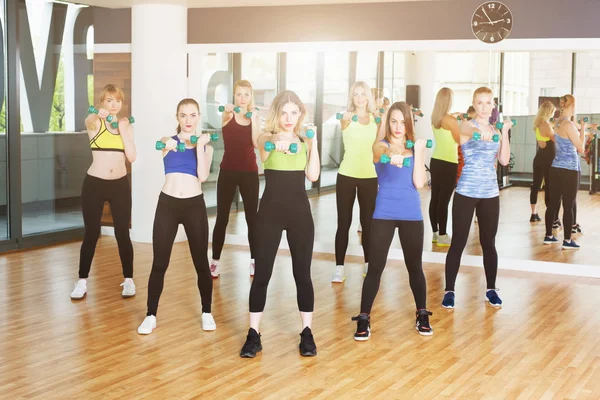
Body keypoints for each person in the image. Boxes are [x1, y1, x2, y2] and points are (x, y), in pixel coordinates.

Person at [239, 90, 320, 358]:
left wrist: (314, 141)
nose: (289, 118)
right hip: (270, 213)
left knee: (302, 276)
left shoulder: (304, 142)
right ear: (276, 114)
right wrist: (278, 140)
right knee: (262, 274)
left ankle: (307, 333)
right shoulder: (265, 138)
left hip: (299, 214)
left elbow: (314, 175)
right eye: (284, 112)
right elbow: (263, 153)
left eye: (294, 113)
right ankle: (253, 334)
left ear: (300, 115)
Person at [352, 101, 433, 341]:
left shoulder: (416, 147)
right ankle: (364, 317)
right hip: (384, 213)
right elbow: (380, 153)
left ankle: (421, 313)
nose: (398, 127)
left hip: (411, 214)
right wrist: (392, 154)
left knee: (414, 267)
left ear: (409, 123)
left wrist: (417, 152)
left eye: (402, 121)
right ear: (388, 123)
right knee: (375, 267)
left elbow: (419, 183)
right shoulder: (380, 145)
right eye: (393, 121)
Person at [137, 98, 216, 335]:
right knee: (159, 262)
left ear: (199, 117)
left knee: (201, 262)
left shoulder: (207, 147)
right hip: (168, 204)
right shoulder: (167, 142)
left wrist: (200, 147)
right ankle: (151, 315)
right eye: (183, 115)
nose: (188, 120)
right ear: (177, 117)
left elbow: (202, 176)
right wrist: (169, 144)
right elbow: (162, 143)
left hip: (194, 205)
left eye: (193, 115)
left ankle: (206, 312)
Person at [442, 87, 511, 309]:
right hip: (466, 192)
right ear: (474, 104)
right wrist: (482, 133)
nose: (483, 107)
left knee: (488, 244)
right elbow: (466, 133)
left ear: (493, 106)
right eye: (479, 103)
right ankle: (449, 290)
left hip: (490, 193)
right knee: (458, 243)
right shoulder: (466, 126)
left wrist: (504, 133)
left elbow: (503, 160)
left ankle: (491, 289)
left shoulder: (496, 130)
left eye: (487, 103)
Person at [70, 84, 137, 300]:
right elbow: (88, 121)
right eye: (109, 100)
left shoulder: (126, 125)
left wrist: (123, 129)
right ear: (102, 102)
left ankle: (128, 280)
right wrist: (99, 116)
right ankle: (81, 281)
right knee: (91, 233)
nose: (114, 104)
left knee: (122, 234)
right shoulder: (94, 122)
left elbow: (132, 157)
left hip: (119, 184)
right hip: (94, 185)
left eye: (117, 100)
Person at [210, 80, 261, 277]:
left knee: (252, 219)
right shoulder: (227, 114)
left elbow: (256, 143)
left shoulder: (253, 117)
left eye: (246, 94)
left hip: (249, 172)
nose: (242, 98)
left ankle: (254, 261)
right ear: (233, 96)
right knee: (222, 217)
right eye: (238, 94)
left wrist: (255, 120)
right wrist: (228, 110)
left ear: (251, 96)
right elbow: (224, 116)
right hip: (228, 171)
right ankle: (215, 261)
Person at [332, 81, 381, 283]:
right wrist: (345, 117)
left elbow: (379, 147)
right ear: (351, 97)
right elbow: (343, 123)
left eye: (363, 94)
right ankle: (339, 267)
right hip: (346, 175)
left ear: (368, 97)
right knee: (344, 223)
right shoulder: (345, 118)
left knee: (368, 225)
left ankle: (368, 263)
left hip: (369, 176)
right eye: (356, 94)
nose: (360, 98)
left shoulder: (375, 120)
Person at [543, 95, 585, 249]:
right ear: (572, 106)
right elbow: (580, 147)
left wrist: (578, 127)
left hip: (556, 167)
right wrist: (584, 130)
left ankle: (549, 235)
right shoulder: (568, 125)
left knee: (553, 203)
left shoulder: (557, 122)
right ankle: (567, 240)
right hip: (570, 169)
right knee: (569, 204)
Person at [429, 88, 460, 247]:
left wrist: (455, 116)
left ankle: (435, 233)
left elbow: (446, 122)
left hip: (436, 161)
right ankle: (443, 235)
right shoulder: (451, 121)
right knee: (444, 201)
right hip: (449, 163)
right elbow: (459, 139)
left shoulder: (435, 118)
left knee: (435, 197)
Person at [529, 101, 556, 222]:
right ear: (549, 112)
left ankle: (533, 214)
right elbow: (557, 140)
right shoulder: (546, 125)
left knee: (536, 185)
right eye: (553, 112)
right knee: (549, 186)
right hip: (548, 159)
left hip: (539, 158)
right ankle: (552, 216)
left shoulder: (538, 124)